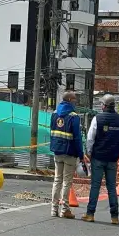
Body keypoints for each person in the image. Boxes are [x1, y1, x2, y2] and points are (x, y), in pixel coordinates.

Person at [82, 94, 119, 224]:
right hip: (113, 159)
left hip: (98, 157)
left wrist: (89, 152)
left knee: (95, 186)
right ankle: (115, 217)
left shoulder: (98, 118)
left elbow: (90, 138)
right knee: (111, 188)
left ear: (103, 105)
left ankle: (90, 213)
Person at [48, 90, 83, 219]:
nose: (76, 102)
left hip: (57, 151)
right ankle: (65, 209)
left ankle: (53, 209)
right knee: (66, 182)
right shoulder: (73, 116)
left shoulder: (54, 114)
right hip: (70, 153)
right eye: (74, 100)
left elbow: (52, 132)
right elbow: (78, 138)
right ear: (69, 100)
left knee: (57, 180)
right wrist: (81, 154)